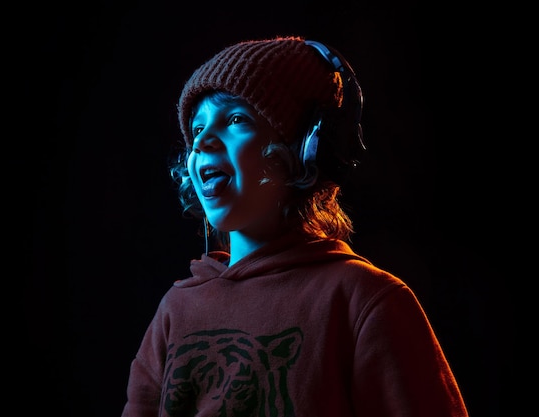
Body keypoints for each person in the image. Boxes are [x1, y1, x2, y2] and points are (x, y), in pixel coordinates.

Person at [121, 35, 468, 417]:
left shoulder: (366, 301)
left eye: (236, 119)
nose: (202, 141)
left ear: (306, 148)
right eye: (197, 128)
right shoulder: (176, 309)